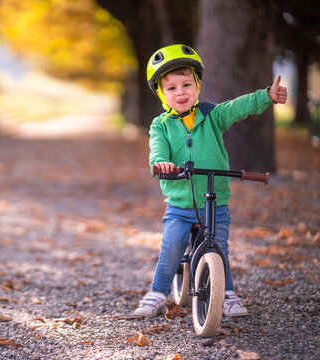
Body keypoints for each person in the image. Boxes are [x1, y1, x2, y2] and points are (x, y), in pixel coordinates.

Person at [134, 44, 287, 317]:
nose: (180, 92)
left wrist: (267, 96)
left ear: (198, 85)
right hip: (180, 203)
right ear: (161, 93)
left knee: (219, 248)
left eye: (186, 85)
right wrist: (160, 163)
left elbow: (238, 107)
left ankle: (226, 294)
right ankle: (157, 293)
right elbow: (157, 149)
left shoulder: (212, 115)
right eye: (171, 88)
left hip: (215, 201)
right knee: (170, 248)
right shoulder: (161, 125)